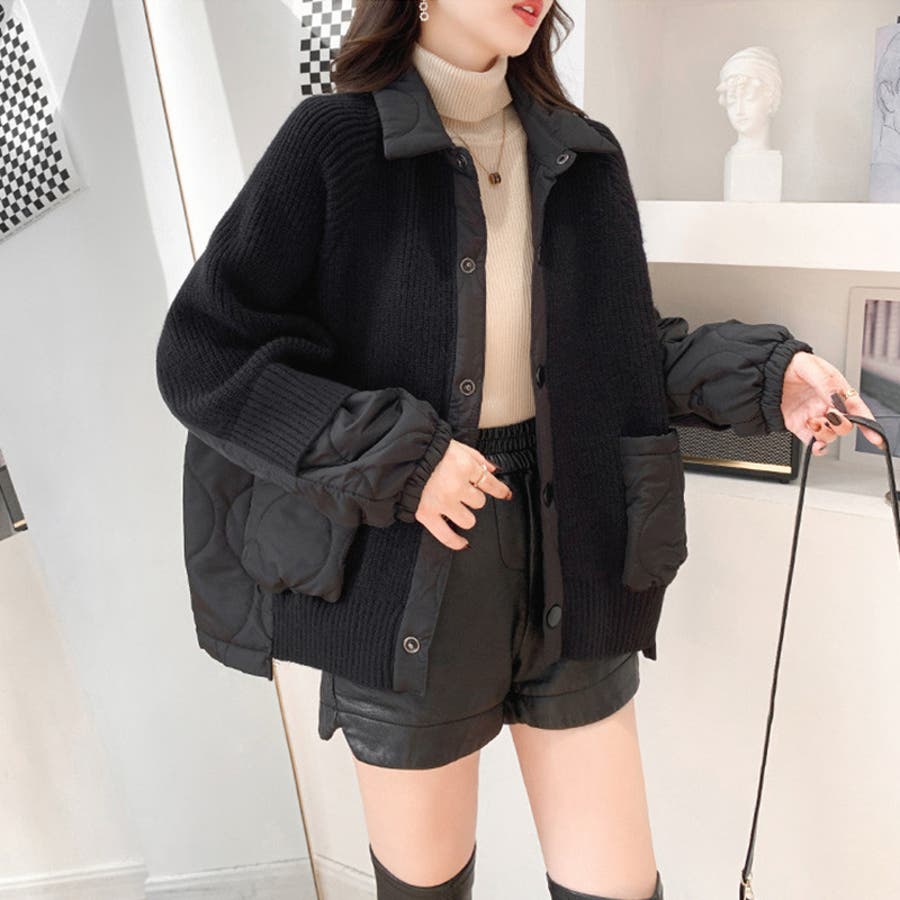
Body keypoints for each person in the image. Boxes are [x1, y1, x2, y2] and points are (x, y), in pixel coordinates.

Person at [154, 1, 885, 898]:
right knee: (424, 888)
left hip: (575, 552)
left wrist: (772, 378)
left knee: (616, 886)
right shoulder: (334, 143)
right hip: (406, 561)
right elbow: (204, 350)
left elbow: (621, 356)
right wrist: (403, 459)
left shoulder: (583, 154)